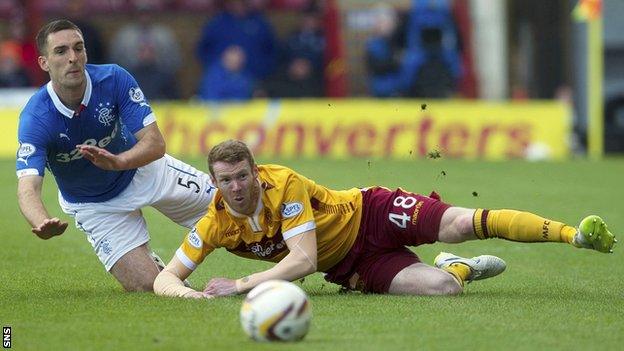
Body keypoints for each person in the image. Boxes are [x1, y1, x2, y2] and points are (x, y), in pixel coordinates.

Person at [154, 140, 617, 298]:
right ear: (214, 183)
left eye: (241, 176)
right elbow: (166, 279)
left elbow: (300, 260)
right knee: (444, 290)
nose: (235, 187)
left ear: (255, 172)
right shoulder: (214, 223)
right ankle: (456, 266)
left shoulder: (283, 184)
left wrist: (238, 286)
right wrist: (192, 296)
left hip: (371, 213)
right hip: (349, 267)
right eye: (225, 180)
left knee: (460, 222)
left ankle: (574, 234)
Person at [15, 20, 215, 292]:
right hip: (95, 206)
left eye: (78, 48)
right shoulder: (36, 118)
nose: (73, 58)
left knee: (231, 207)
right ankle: (152, 266)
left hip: (145, 172)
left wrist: (118, 162)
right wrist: (41, 221)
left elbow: (155, 143)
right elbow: (27, 187)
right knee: (149, 286)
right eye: (61, 51)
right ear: (44, 63)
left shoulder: (113, 78)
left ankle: (290, 252)